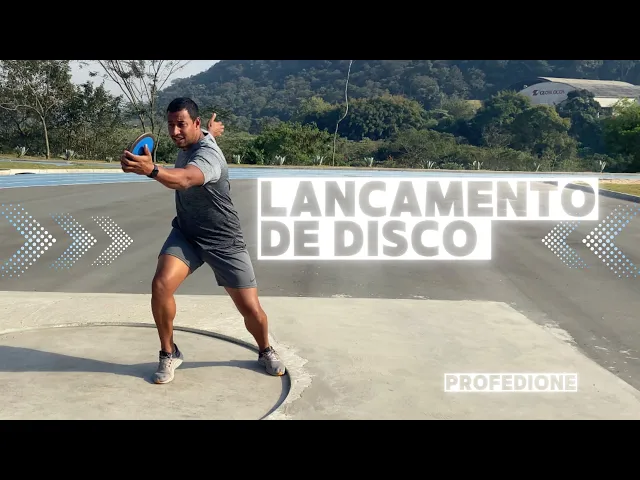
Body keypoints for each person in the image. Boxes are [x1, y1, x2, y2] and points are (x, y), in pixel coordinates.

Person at [119, 97, 286, 384]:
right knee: (161, 285)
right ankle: (169, 352)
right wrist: (212, 130)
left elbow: (185, 179)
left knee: (251, 310)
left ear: (195, 123)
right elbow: (208, 134)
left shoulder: (209, 156)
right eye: (171, 125)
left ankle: (265, 349)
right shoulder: (196, 137)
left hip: (224, 239)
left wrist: (152, 170)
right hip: (187, 234)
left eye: (181, 125)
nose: (175, 132)